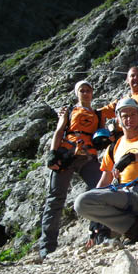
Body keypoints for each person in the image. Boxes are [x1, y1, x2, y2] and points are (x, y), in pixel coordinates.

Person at [74, 98, 138, 243]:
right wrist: (94, 223)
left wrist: (133, 158)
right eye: (125, 116)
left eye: (133, 114)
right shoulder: (113, 147)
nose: (129, 119)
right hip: (125, 194)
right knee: (81, 202)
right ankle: (132, 228)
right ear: (118, 119)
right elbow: (104, 182)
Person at [40, 80, 107, 259]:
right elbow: (59, 131)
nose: (85, 93)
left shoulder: (98, 115)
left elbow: (100, 137)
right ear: (77, 93)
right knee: (56, 198)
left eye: (88, 90)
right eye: (81, 90)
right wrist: (52, 153)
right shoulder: (69, 111)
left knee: (100, 190)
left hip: (87, 156)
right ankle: (47, 247)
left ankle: (97, 233)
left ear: (92, 93)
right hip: (66, 154)